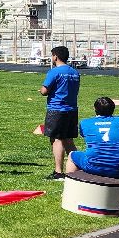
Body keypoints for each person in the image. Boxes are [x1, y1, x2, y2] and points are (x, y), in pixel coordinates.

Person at [41, 45, 81, 179]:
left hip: (57, 109)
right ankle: (79, 168)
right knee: (68, 140)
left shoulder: (54, 72)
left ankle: (58, 172)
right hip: (72, 109)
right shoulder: (75, 72)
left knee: (57, 139)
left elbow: (44, 91)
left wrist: (42, 90)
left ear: (55, 57)